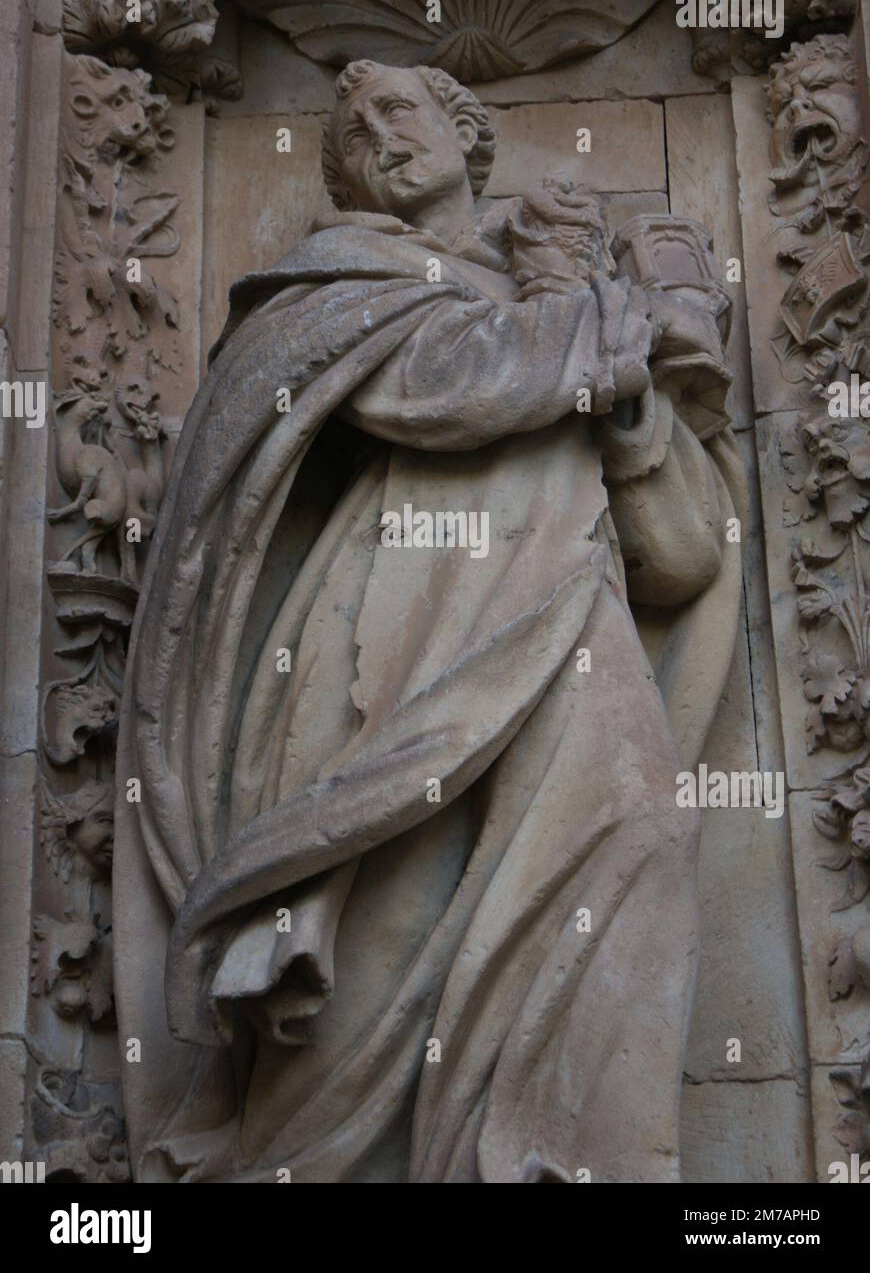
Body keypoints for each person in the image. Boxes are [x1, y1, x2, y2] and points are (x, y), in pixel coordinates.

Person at [114, 59, 745, 1182]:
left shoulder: (565, 300)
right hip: (395, 634)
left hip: (568, 625)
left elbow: (685, 553)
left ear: (466, 134)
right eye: (354, 137)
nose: (380, 141)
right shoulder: (342, 286)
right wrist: (593, 318)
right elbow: (452, 389)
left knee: (636, 835)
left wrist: (634, 379)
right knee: (387, 925)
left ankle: (570, 1159)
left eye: (399, 113)